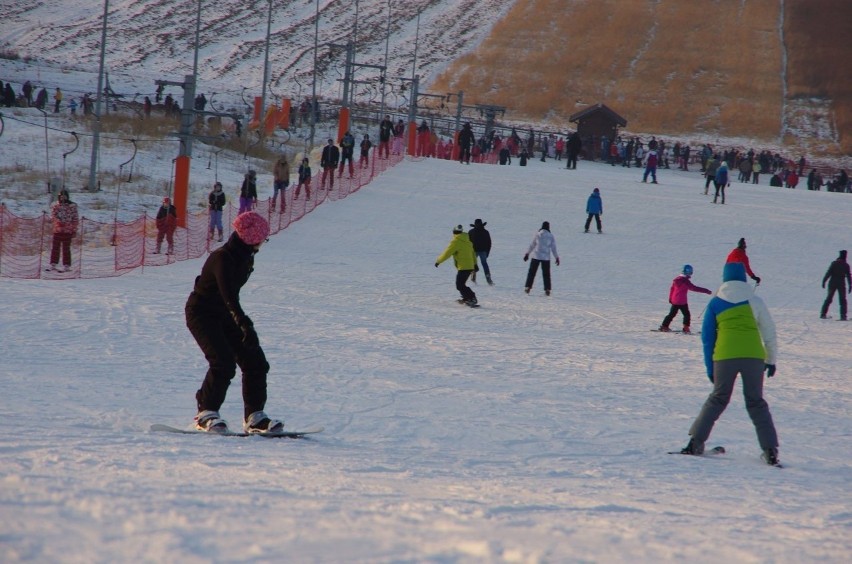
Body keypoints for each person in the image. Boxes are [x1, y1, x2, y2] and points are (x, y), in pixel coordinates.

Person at [186, 211, 284, 434]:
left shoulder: (244, 255)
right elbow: (228, 295)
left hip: (224, 313)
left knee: (255, 361)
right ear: (252, 238)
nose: (263, 243)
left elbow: (229, 301)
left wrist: (243, 326)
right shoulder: (223, 258)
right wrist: (244, 324)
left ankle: (255, 417)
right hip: (202, 313)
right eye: (263, 238)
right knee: (223, 362)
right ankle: (206, 413)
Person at [679, 261, 780, 466]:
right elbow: (769, 332)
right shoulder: (755, 301)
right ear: (743, 278)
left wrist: (710, 367)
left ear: (725, 278)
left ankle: (695, 443)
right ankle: (770, 451)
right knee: (756, 402)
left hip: (724, 357)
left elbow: (707, 339)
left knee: (717, 399)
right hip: (753, 356)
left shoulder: (715, 303)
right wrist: (770, 360)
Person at [658, 265, 712, 333]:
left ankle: (664, 326)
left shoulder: (676, 279)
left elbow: (672, 289)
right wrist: (706, 291)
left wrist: (670, 298)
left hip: (675, 300)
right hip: (682, 301)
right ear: (688, 272)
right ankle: (686, 328)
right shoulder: (685, 281)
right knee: (686, 314)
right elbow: (694, 288)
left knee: (671, 314)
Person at [434, 224, 478, 306]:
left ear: (454, 232)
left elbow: (447, 253)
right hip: (469, 266)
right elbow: (473, 253)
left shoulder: (456, 241)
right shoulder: (468, 241)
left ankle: (472, 298)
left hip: (463, 267)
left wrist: (438, 261)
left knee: (460, 285)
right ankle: (467, 298)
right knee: (461, 284)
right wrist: (475, 264)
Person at [524, 221, 560, 295]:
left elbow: (532, 245)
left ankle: (528, 287)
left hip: (536, 256)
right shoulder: (551, 236)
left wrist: (527, 253)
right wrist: (557, 257)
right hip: (546, 258)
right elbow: (553, 248)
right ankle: (547, 289)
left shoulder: (538, 234)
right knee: (546, 274)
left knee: (531, 272)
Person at [46, 189, 79, 272]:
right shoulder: (56, 206)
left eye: (64, 197)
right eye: (61, 197)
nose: (62, 198)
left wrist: (73, 229)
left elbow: (75, 219)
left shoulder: (72, 207)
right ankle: (53, 264)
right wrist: (58, 220)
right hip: (58, 230)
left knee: (66, 248)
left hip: (67, 231)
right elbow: (53, 216)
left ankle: (66, 265)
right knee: (55, 248)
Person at [820, 250, 851, 320]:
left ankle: (823, 314)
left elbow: (829, 272)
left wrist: (824, 281)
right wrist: (850, 285)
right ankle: (843, 316)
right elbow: (849, 276)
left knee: (829, 298)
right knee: (842, 300)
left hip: (832, 283)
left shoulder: (834, 263)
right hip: (841, 284)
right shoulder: (846, 265)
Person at [468, 219, 493, 286]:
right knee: (484, 264)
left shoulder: (471, 232)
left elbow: (468, 243)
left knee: (473, 264)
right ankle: (488, 278)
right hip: (483, 251)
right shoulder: (486, 232)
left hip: (473, 251)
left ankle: (473, 277)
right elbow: (489, 243)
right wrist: (487, 252)